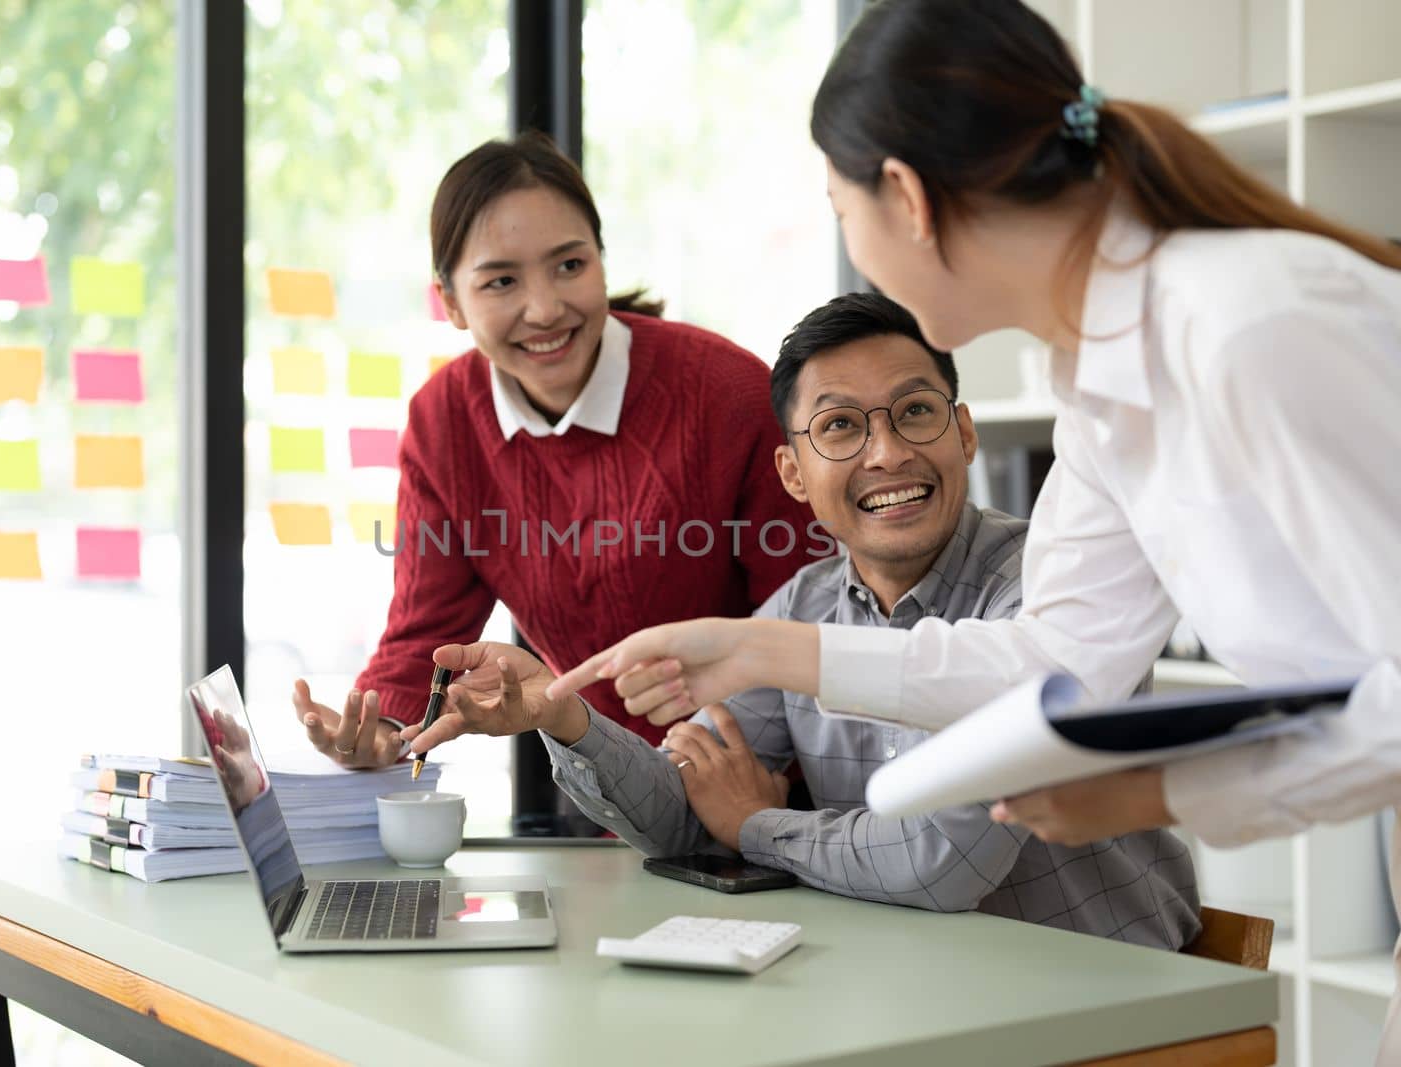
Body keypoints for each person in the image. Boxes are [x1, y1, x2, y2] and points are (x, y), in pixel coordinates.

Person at [548, 0, 1401, 1045]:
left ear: (902, 195)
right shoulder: (1094, 379)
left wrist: (1159, 789)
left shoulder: (1245, 323)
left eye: (839, 207)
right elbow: (1056, 658)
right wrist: (763, 647)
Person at [402, 292, 1201, 948]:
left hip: (1110, 1008)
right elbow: (685, 814)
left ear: (963, 431)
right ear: (793, 471)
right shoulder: (804, 604)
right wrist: (565, 716)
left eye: (915, 412)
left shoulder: (1052, 588)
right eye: (842, 426)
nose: (886, 453)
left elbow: (938, 862)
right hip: (917, 991)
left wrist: (757, 825)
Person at [294, 131, 820, 768]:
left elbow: (808, 624)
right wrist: (380, 728)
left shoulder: (727, 394)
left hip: (765, 780)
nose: (544, 309)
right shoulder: (444, 422)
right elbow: (425, 634)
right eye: (501, 282)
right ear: (452, 302)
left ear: (601, 259)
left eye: (570, 266)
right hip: (608, 791)